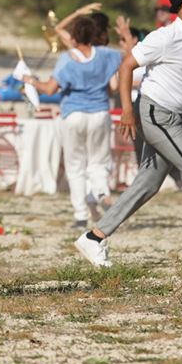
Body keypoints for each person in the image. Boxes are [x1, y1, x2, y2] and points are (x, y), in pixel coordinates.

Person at [73, 0, 182, 267]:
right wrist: (127, 111)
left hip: (174, 118)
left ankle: (94, 237)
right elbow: (126, 66)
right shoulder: (164, 37)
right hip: (154, 113)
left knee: (147, 184)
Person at [27, 15, 124, 229]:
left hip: (73, 114)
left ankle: (80, 215)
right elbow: (120, 74)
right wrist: (126, 35)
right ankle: (102, 193)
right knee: (99, 162)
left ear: (73, 37)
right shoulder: (108, 54)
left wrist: (31, 81)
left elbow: (50, 88)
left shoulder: (67, 58)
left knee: (75, 166)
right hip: (100, 112)